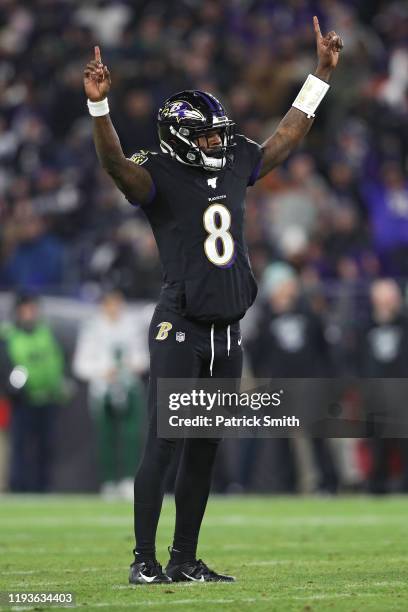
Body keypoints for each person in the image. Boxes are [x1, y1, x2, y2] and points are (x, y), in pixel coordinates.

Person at [83, 16, 343, 584]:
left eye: (217, 133)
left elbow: (284, 138)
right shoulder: (158, 173)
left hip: (228, 331)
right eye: (203, 136)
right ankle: (143, 562)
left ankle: (184, 559)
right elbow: (115, 167)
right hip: (180, 324)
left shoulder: (232, 160)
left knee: (204, 451)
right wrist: (100, 110)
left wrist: (320, 75)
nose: (215, 142)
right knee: (165, 443)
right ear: (178, 137)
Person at [73, 289, 148, 499]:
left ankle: (129, 479)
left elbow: (143, 358)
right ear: (103, 305)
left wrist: (130, 366)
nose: (114, 308)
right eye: (110, 303)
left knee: (131, 435)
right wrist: (102, 370)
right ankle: (109, 482)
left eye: (117, 303)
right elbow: (80, 365)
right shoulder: (92, 328)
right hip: (102, 389)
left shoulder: (132, 325)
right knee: (106, 437)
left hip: (130, 387)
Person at [0, 293, 65, 492]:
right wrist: (14, 388)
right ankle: (19, 486)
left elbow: (56, 359)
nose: (29, 313)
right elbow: (6, 365)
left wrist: (58, 384)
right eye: (25, 309)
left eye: (32, 308)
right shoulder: (8, 335)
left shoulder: (46, 332)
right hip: (22, 400)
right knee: (20, 446)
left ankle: (43, 487)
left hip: (48, 398)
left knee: (46, 447)